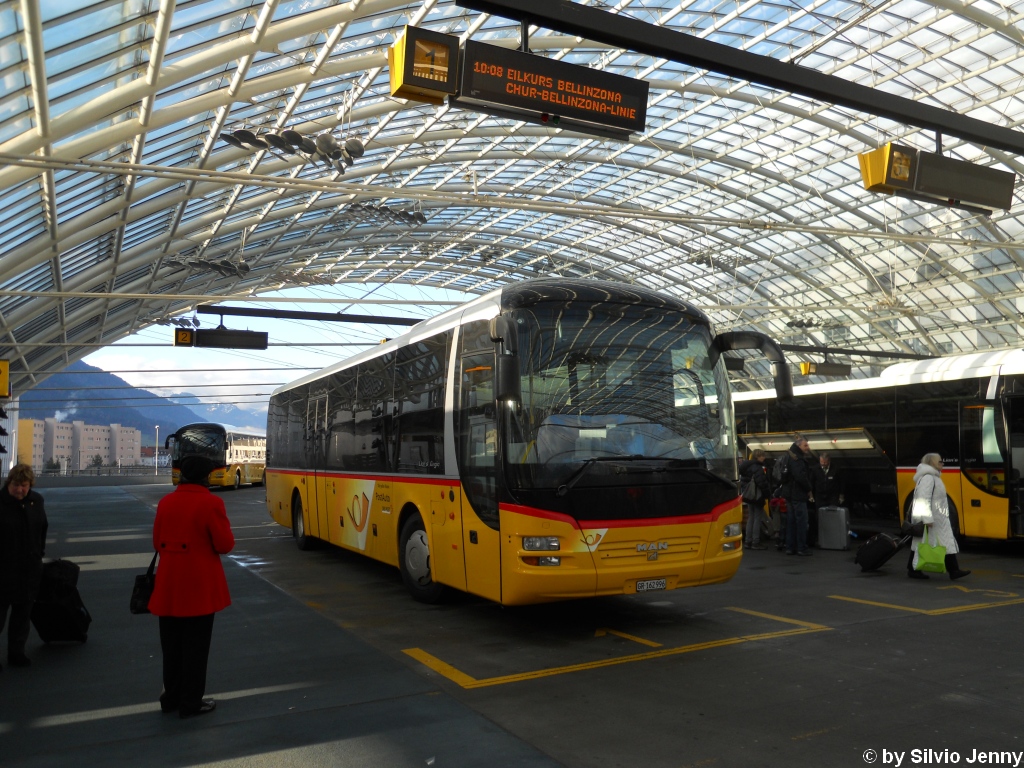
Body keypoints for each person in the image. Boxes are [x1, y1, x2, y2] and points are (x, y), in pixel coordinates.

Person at [149, 455, 235, 718]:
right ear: (205, 477)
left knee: (171, 647)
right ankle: (191, 703)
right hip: (199, 587)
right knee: (196, 648)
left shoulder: (166, 502)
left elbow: (156, 541)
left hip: (169, 585)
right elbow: (224, 544)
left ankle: (171, 697)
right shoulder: (211, 503)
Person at [0, 464, 48, 669]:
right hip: (3, 570)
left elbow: (42, 528)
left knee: (22, 614)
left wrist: (38, 554)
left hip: (28, 568)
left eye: (25, 485)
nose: (20, 490)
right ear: (8, 483)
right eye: (16, 485)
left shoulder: (36, 501)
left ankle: (16, 653)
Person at [907, 453, 969, 581]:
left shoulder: (932, 477)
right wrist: (927, 518)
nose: (943, 463)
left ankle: (952, 570)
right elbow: (922, 499)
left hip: (938, 519)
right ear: (933, 463)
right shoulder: (928, 478)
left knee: (929, 542)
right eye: (940, 461)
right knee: (932, 543)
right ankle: (952, 570)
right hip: (933, 519)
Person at [781, 437, 816, 556]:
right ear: (799, 446)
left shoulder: (788, 456)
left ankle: (790, 547)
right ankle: (802, 547)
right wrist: (809, 488)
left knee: (791, 521)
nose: (808, 448)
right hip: (797, 494)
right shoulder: (797, 459)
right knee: (801, 521)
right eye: (805, 445)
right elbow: (800, 476)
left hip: (789, 494)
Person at [810, 452, 844, 547]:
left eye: (825, 462)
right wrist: (810, 495)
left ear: (829, 461)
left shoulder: (836, 469)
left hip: (832, 496)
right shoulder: (815, 469)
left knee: (833, 516)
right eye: (822, 462)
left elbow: (841, 483)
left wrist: (841, 495)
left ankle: (833, 536)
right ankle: (820, 537)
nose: (823, 464)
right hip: (819, 496)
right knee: (819, 517)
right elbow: (811, 482)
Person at [739, 449, 771, 549]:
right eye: (762, 456)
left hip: (749, 496)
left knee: (751, 518)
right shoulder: (757, 468)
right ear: (757, 457)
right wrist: (767, 495)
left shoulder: (745, 467)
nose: (764, 457)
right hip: (757, 496)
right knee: (757, 518)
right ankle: (755, 541)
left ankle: (748, 541)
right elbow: (762, 483)